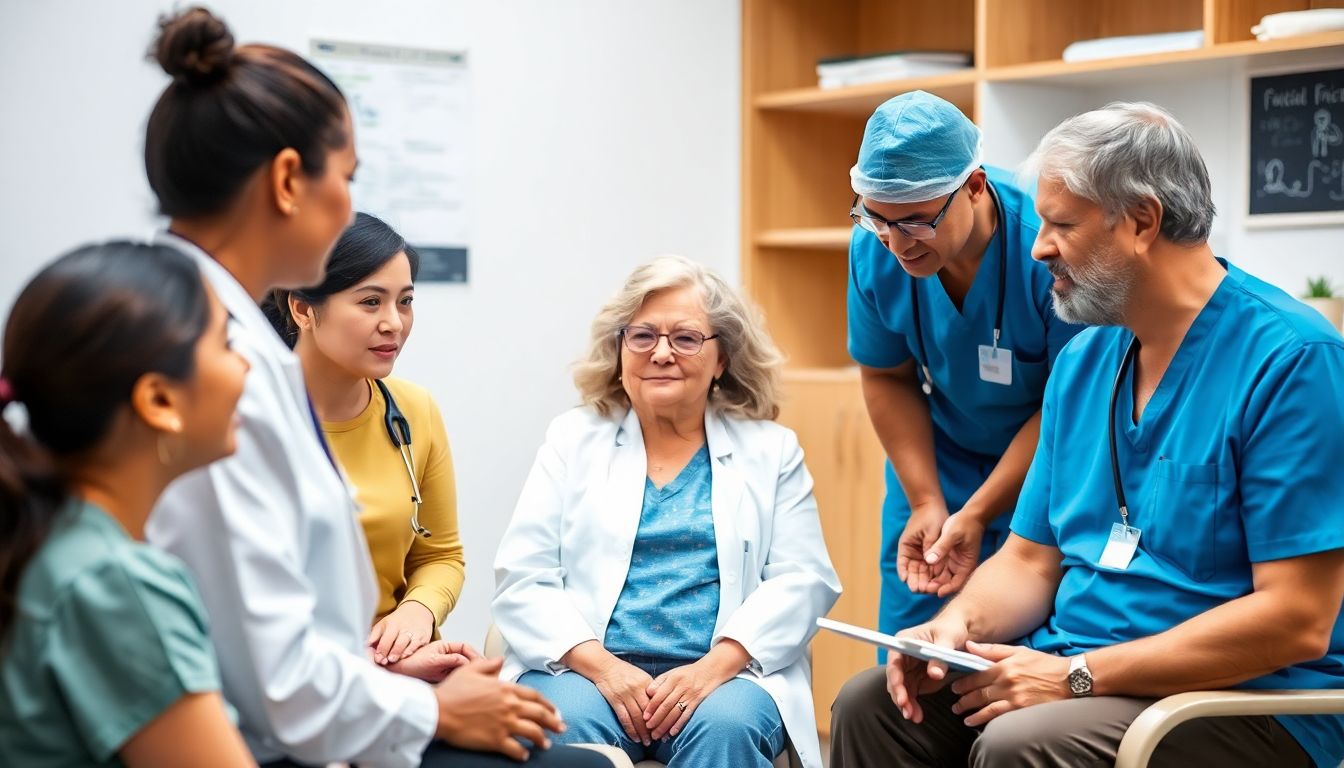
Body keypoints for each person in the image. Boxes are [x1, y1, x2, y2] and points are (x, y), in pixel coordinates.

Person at [139, 8, 609, 768]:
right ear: (290, 180)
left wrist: (398, 663)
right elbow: (273, 679)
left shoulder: (210, 329)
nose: (352, 208)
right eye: (348, 178)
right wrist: (426, 706)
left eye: (406, 299)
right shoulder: (223, 373)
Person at [829, 102, 1344, 768]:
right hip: (1080, 669)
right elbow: (1028, 560)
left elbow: (1298, 619)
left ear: (1141, 221)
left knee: (1020, 743)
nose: (1038, 245)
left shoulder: (1292, 362)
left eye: (1061, 224)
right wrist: (955, 625)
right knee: (872, 705)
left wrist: (1076, 676)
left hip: (1237, 698)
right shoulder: (1084, 361)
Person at [494, 256, 842, 768]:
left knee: (727, 728)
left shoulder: (771, 451)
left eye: (685, 338)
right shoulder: (573, 440)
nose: (661, 353)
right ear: (619, 350)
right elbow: (523, 576)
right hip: (587, 673)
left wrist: (714, 668)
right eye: (642, 336)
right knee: (562, 728)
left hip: (722, 678)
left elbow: (803, 579)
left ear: (722, 358)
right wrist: (605, 669)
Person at [0, 243, 252, 767]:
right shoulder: (116, 585)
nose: (245, 364)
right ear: (159, 401)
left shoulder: (54, 540)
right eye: (227, 342)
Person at [846, 91, 1084, 645]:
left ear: (974, 187)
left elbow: (1068, 403)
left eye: (915, 223)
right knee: (907, 661)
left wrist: (977, 512)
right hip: (937, 460)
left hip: (1046, 469)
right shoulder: (875, 247)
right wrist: (929, 498)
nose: (895, 243)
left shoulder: (1046, 251)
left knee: (1006, 664)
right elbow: (886, 375)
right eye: (875, 218)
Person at [261, 212, 465, 667]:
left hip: (405, 661)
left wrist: (417, 611)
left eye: (405, 301)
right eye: (371, 302)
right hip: (298, 672)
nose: (394, 323)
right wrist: (375, 665)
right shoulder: (249, 419)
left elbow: (441, 555)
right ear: (302, 308)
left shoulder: (415, 410)